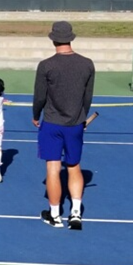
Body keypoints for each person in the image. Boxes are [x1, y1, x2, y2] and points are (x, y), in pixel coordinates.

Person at [32, 21, 95, 230]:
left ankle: (55, 215)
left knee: (53, 168)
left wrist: (35, 115)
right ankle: (75, 213)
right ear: (70, 38)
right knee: (74, 166)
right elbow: (88, 97)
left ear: (53, 39)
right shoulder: (87, 64)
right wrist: (82, 118)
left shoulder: (46, 65)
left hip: (51, 123)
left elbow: (40, 97)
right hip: (75, 123)